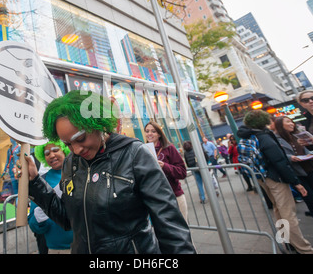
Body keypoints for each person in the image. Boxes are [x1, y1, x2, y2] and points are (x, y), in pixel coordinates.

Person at [20, 90, 196, 254]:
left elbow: (170, 226)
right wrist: (35, 182)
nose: (76, 150)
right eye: (68, 144)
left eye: (80, 138)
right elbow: (68, 219)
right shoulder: (70, 163)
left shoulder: (135, 154)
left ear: (96, 123)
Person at [237, 110, 313, 254]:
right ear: (264, 121)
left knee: (279, 210)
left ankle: (287, 242)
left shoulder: (249, 135)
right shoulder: (264, 137)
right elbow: (280, 162)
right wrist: (295, 182)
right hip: (275, 178)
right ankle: (305, 249)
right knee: (288, 213)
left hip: (263, 178)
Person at [274, 116, 313, 232]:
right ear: (280, 125)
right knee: (312, 202)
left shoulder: (298, 135)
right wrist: (291, 158)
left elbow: (308, 150)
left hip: (311, 170)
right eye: (288, 122)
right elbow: (278, 156)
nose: (291, 124)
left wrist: (311, 154)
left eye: (291, 121)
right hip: (298, 175)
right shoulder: (277, 139)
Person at [26, 141, 74, 254]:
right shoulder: (41, 181)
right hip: (55, 249)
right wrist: (40, 217)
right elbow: (34, 225)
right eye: (47, 153)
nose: (51, 155)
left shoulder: (79, 173)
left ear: (64, 150)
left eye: (56, 150)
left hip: (85, 246)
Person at [144, 121, 189, 222]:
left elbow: (182, 172)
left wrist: (165, 166)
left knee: (182, 232)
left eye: (153, 131)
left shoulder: (169, 148)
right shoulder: (144, 150)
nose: (149, 134)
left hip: (174, 196)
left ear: (159, 134)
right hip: (156, 199)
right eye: (147, 131)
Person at [297, 91, 313, 169]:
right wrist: (307, 142)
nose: (311, 101)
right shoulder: (307, 120)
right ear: (302, 104)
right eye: (306, 100)